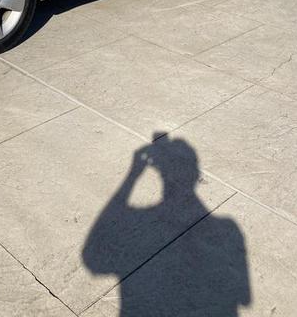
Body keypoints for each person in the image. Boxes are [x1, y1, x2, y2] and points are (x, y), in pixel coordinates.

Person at [83, 134, 251, 316]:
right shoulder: (228, 229)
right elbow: (244, 297)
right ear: (195, 175)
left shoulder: (142, 223)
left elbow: (94, 258)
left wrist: (133, 175)